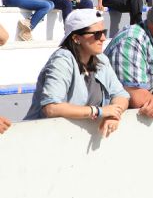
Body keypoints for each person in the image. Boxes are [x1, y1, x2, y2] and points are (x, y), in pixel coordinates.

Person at [25, 9, 129, 137]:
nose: (103, 38)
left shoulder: (101, 59)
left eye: (103, 32)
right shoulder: (62, 61)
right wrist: (98, 111)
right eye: (97, 34)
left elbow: (121, 95)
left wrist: (114, 114)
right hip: (44, 137)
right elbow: (51, 107)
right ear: (76, 38)